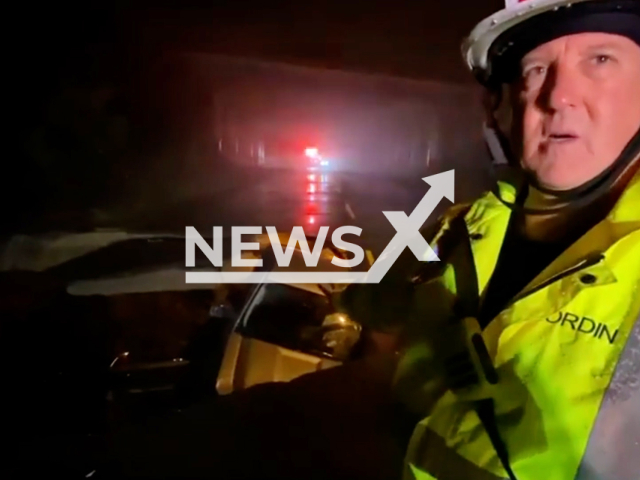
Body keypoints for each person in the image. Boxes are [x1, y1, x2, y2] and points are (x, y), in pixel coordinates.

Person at [338, 0, 640, 479]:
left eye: (600, 60)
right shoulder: (455, 231)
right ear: (506, 107)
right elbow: (375, 329)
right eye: (537, 70)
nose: (558, 96)